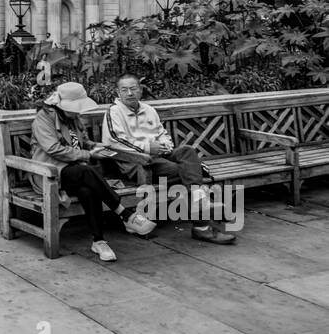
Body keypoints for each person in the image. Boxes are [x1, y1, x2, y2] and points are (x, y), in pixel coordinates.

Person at [102, 75, 234, 246]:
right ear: (118, 92)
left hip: (160, 157)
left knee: (187, 151)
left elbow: (162, 133)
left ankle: (198, 198)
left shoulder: (149, 110)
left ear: (140, 90)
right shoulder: (113, 112)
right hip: (138, 163)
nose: (129, 93)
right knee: (188, 172)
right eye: (124, 89)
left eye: (133, 88)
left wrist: (165, 146)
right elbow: (113, 141)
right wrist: (148, 147)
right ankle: (201, 225)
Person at [31, 81, 155, 264]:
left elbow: (83, 141)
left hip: (76, 172)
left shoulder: (72, 117)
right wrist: (88, 154)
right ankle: (124, 213)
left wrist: (96, 146)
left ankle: (99, 241)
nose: (78, 111)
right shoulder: (44, 118)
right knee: (87, 172)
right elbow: (54, 149)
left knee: (88, 190)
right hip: (49, 172)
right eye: (75, 107)